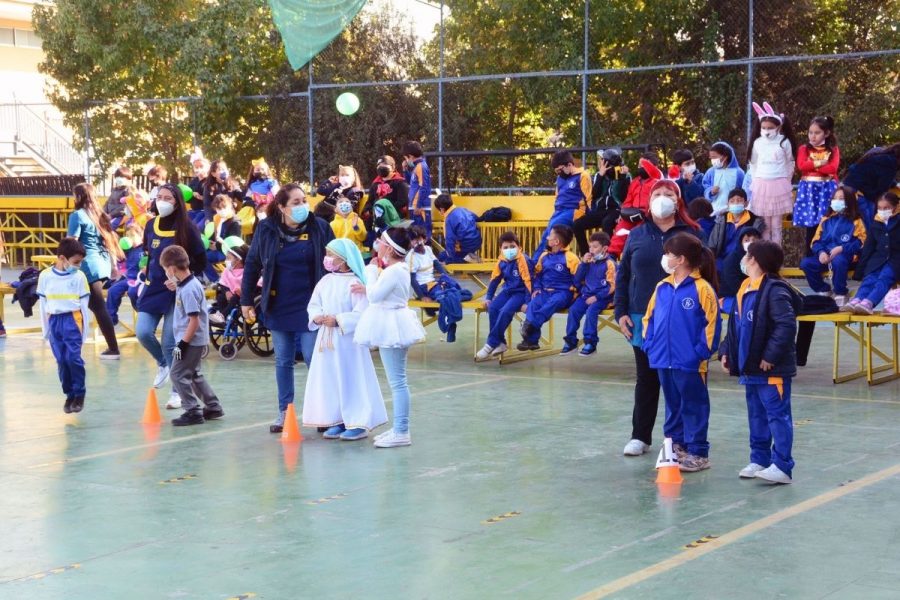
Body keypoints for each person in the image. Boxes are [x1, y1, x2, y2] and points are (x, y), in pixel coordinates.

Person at [614, 179, 701, 457]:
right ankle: (640, 436)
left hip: (682, 317)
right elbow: (624, 275)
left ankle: (685, 439)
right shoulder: (637, 235)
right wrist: (621, 311)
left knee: (681, 380)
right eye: (657, 194)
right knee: (647, 377)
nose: (662, 198)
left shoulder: (692, 233)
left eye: (668, 194)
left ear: (678, 201)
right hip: (643, 316)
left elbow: (706, 275)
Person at [241, 183, 334, 433]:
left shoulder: (320, 227)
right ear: (281, 207)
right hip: (278, 303)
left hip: (312, 306)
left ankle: (323, 412)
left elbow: (337, 261)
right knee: (283, 360)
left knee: (314, 358)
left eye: (304, 200)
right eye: (296, 202)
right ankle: (285, 411)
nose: (303, 205)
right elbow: (252, 264)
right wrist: (246, 300)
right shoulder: (266, 229)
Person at [720, 240, 801, 484]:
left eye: (747, 255)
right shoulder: (745, 287)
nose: (743, 259)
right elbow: (735, 326)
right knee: (756, 414)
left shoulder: (776, 290)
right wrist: (727, 351)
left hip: (770, 367)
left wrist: (770, 356)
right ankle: (760, 458)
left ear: (755, 260)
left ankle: (782, 465)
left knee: (777, 414)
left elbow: (786, 326)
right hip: (750, 366)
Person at [642, 233, 720, 472]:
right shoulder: (662, 286)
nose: (665, 258)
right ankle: (676, 446)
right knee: (673, 403)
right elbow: (650, 317)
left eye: (669, 254)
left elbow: (712, 324)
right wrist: (650, 344)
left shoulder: (702, 288)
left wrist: (699, 352)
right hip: (663, 359)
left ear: (682, 259)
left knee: (694, 404)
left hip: (690, 362)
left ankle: (698, 452)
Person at [302, 239, 388, 440]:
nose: (327, 259)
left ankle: (357, 421)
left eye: (332, 255)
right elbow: (314, 304)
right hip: (327, 340)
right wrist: (317, 316)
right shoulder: (325, 281)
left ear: (345, 259)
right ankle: (338, 419)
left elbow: (362, 311)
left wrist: (339, 320)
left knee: (351, 378)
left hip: (348, 342)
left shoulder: (355, 283)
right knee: (331, 378)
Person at [354, 228, 427, 448]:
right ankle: (398, 428)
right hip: (389, 322)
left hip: (391, 325)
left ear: (389, 247)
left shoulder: (393, 271)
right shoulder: (396, 269)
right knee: (396, 381)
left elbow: (375, 296)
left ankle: (402, 431)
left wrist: (372, 272)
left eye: (381, 241)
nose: (378, 244)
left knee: (397, 382)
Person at [137, 184, 207, 410]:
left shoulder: (187, 228)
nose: (162, 201)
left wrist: (181, 280)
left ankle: (177, 390)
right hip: (152, 288)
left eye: (168, 197)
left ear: (177, 201)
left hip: (176, 292)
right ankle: (163, 364)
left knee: (170, 342)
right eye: (159, 197)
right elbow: (147, 255)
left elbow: (200, 260)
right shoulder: (150, 225)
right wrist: (142, 273)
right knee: (143, 332)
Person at [160, 244, 224, 426]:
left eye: (166, 270)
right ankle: (213, 406)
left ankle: (192, 410)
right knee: (193, 374)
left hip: (190, 340)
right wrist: (176, 285)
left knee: (177, 374)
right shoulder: (189, 283)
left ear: (171, 269)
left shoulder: (188, 290)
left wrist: (182, 344)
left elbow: (194, 321)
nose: (166, 273)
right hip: (194, 339)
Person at [67, 183, 122, 359]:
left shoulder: (77, 216)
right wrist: (113, 266)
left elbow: (72, 243)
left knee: (97, 307)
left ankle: (113, 348)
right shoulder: (100, 215)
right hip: (102, 263)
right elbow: (109, 241)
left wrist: (63, 263)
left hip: (87, 264)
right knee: (93, 305)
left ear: (78, 197)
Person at [38, 237, 91, 414]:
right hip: (54, 321)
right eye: (76, 262)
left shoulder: (79, 277)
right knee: (61, 360)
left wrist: (84, 333)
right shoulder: (45, 276)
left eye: (81, 262)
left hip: (72, 320)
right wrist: (45, 330)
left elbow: (84, 307)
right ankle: (69, 394)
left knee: (73, 358)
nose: (78, 265)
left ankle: (79, 394)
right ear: (62, 258)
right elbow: (43, 305)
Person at [800, 187, 866, 307]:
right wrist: (820, 252)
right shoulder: (825, 220)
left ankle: (840, 292)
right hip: (825, 257)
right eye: (835, 198)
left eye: (841, 199)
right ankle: (824, 289)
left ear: (849, 201)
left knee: (839, 261)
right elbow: (815, 241)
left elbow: (861, 242)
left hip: (846, 257)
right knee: (806, 263)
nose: (837, 201)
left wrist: (842, 248)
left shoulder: (856, 221)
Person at [518, 225, 579, 351]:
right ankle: (531, 341)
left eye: (549, 235)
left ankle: (531, 325)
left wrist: (574, 293)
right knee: (534, 304)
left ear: (556, 242)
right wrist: (537, 288)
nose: (547, 237)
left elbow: (578, 278)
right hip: (545, 291)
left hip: (563, 292)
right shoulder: (544, 256)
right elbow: (538, 274)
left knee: (552, 303)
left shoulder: (571, 258)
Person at [475, 232, 533, 361]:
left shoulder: (524, 260)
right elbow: (494, 280)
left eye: (512, 246)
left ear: (519, 247)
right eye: (505, 247)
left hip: (520, 293)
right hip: (507, 292)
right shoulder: (501, 261)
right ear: (500, 249)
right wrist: (488, 297)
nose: (509, 250)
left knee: (505, 311)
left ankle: (490, 343)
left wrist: (529, 302)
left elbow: (529, 282)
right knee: (493, 308)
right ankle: (500, 343)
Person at [747, 101, 798, 245]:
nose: (767, 131)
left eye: (770, 128)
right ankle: (764, 257)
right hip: (761, 186)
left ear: (778, 127)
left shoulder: (784, 142)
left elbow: (790, 162)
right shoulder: (757, 143)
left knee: (776, 226)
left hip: (779, 186)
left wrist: (785, 180)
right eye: (764, 128)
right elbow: (753, 163)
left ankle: (776, 258)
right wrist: (756, 180)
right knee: (764, 226)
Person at [843, 192, 900, 314]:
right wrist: (860, 270)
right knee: (870, 278)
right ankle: (857, 300)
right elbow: (868, 248)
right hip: (878, 259)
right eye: (880, 208)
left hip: (896, 261)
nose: (882, 211)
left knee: (885, 278)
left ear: (896, 207)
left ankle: (869, 302)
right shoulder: (876, 223)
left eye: (887, 208)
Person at [561, 231, 616, 357]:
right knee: (574, 310)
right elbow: (577, 280)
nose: (591, 250)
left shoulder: (610, 264)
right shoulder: (587, 262)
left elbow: (611, 286)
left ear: (605, 248)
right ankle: (571, 341)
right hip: (586, 295)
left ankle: (590, 342)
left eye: (595, 247)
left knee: (591, 311)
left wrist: (597, 297)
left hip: (603, 298)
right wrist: (584, 264)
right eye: (590, 247)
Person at [533, 151, 591, 260]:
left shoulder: (582, 176)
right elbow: (558, 197)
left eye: (560, 170)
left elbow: (588, 197)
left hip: (574, 210)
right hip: (559, 212)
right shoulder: (560, 179)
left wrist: (590, 214)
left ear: (569, 165)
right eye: (556, 171)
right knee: (546, 235)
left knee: (552, 232)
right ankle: (540, 263)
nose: (559, 173)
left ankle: (535, 263)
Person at [793, 116, 840, 248]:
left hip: (827, 189)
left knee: (826, 220)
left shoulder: (833, 149)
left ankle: (827, 252)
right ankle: (810, 253)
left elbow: (832, 168)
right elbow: (801, 166)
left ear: (826, 133)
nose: (813, 136)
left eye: (817, 133)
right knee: (811, 223)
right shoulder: (804, 149)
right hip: (808, 190)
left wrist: (812, 165)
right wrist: (820, 163)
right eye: (810, 132)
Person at [573, 148, 631, 253]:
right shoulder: (599, 175)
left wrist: (622, 178)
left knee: (607, 223)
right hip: (600, 210)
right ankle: (586, 254)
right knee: (577, 224)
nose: (601, 162)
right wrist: (600, 176)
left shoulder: (625, 176)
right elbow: (595, 195)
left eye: (603, 160)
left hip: (616, 210)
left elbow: (624, 197)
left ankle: (609, 254)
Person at [607, 153, 663, 258]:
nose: (640, 167)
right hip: (631, 213)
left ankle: (633, 257)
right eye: (639, 165)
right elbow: (628, 200)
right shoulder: (635, 182)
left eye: (644, 165)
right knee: (620, 230)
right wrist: (623, 213)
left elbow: (658, 202)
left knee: (637, 234)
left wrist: (646, 214)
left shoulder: (658, 182)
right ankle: (611, 256)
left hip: (647, 216)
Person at [842, 143, 900, 229]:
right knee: (869, 224)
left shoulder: (881, 154)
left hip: (846, 187)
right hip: (857, 192)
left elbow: (876, 174)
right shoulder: (891, 163)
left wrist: (895, 184)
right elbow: (881, 191)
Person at [708, 189, 765, 269]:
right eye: (732, 201)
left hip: (744, 259)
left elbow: (756, 244)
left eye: (739, 201)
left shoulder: (754, 221)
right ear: (728, 204)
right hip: (722, 258)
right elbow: (713, 243)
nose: (735, 203)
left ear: (746, 203)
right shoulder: (722, 220)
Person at [106, 221, 144, 326]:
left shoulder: (145, 248)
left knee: (132, 292)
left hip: (141, 280)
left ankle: (143, 314)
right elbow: (119, 257)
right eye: (127, 235)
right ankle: (111, 318)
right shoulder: (127, 250)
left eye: (132, 235)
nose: (129, 238)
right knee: (112, 291)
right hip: (129, 279)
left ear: (140, 236)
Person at [719, 226, 762, 315]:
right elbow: (734, 284)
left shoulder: (762, 258)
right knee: (749, 312)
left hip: (755, 296)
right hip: (730, 297)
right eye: (746, 240)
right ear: (740, 242)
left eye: (754, 240)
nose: (751, 243)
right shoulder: (731, 260)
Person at [363, 155, 409, 238]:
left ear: (392, 166)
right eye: (379, 165)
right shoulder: (375, 184)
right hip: (376, 216)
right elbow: (370, 201)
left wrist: (386, 210)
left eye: (384, 164)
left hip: (393, 216)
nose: (381, 167)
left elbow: (403, 201)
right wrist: (367, 210)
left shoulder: (400, 183)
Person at [434, 193, 482, 263]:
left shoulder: (449, 219)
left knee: (442, 256)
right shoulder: (462, 209)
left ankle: (468, 260)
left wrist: (449, 259)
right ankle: (469, 256)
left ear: (442, 209)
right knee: (446, 255)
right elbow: (476, 218)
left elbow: (450, 240)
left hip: (464, 246)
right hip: (477, 242)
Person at [204, 194, 242, 282]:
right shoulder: (217, 218)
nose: (221, 211)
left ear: (229, 206)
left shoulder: (235, 222)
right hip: (217, 248)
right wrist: (209, 242)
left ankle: (217, 280)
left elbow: (233, 245)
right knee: (198, 253)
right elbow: (215, 235)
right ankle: (211, 278)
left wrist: (216, 246)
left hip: (228, 253)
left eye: (223, 208)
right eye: (218, 209)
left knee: (204, 257)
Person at [210, 243, 249, 324]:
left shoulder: (246, 271)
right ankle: (223, 320)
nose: (226, 261)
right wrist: (227, 291)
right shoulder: (227, 271)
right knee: (220, 296)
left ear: (238, 260)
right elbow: (223, 283)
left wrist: (242, 291)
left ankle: (222, 315)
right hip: (229, 294)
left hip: (242, 296)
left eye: (228, 258)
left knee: (235, 297)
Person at [702, 142, 745, 215]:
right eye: (711, 158)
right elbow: (705, 187)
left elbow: (743, 190)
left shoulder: (739, 173)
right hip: (714, 210)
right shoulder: (711, 172)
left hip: (733, 211)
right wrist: (711, 192)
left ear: (725, 157)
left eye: (714, 157)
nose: (712, 160)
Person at [406, 225, 447, 301]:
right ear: (410, 242)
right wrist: (422, 297)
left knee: (454, 289)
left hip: (433, 283)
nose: (417, 242)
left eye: (419, 238)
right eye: (413, 240)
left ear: (424, 239)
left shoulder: (428, 249)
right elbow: (412, 280)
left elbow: (437, 264)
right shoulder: (411, 257)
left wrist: (446, 278)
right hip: (423, 287)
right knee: (444, 296)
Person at [402, 141, 433, 239]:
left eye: (406, 158)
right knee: (415, 237)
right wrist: (405, 170)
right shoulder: (416, 167)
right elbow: (411, 182)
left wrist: (418, 206)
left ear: (410, 156)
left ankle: (424, 253)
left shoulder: (421, 167)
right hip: (415, 207)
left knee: (422, 237)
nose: (406, 160)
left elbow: (424, 187)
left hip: (420, 208)